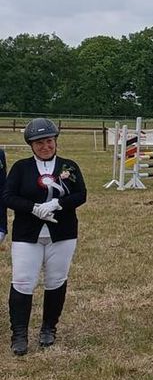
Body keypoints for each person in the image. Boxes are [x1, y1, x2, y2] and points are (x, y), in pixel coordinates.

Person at [3, 119, 86, 355]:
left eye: (49, 141)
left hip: (62, 233)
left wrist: (58, 204)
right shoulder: (21, 168)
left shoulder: (69, 166)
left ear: (55, 141)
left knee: (56, 280)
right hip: (27, 234)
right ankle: (19, 334)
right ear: (31, 145)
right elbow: (7, 196)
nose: (45, 146)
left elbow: (81, 194)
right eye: (39, 143)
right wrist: (32, 207)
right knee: (22, 281)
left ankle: (49, 328)